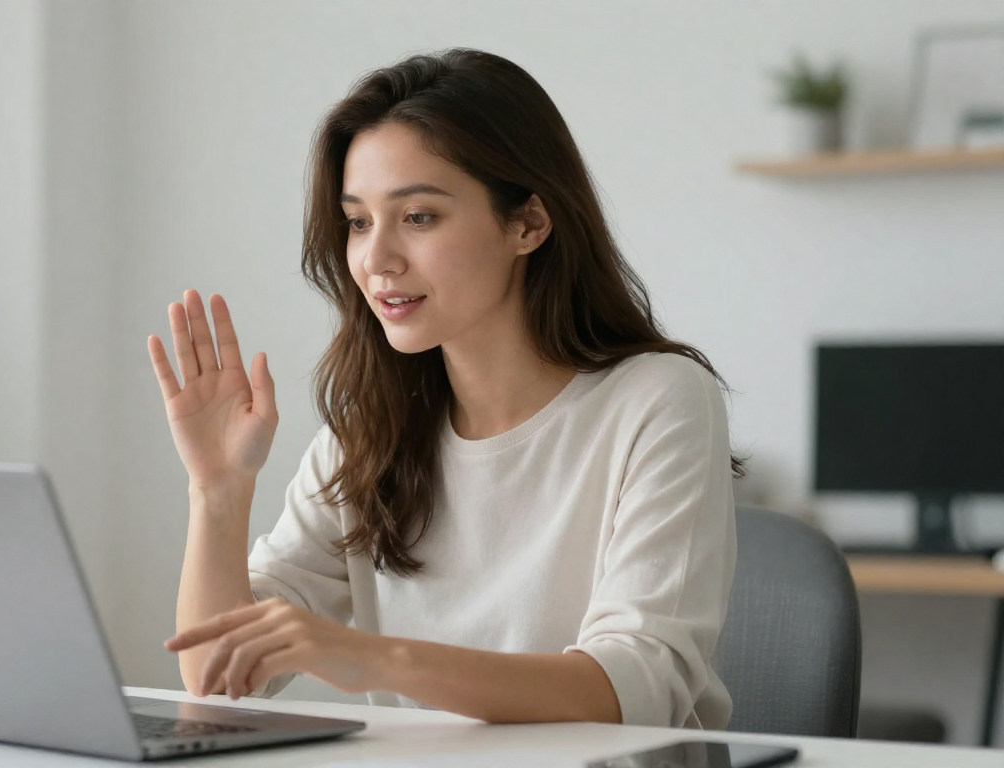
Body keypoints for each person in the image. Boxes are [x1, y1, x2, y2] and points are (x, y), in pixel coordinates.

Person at [146, 48, 738, 728]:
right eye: (359, 221)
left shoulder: (657, 399)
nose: (377, 260)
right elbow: (219, 675)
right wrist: (218, 490)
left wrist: (373, 658)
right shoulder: (369, 429)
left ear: (528, 224)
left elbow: (635, 687)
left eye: (419, 216)